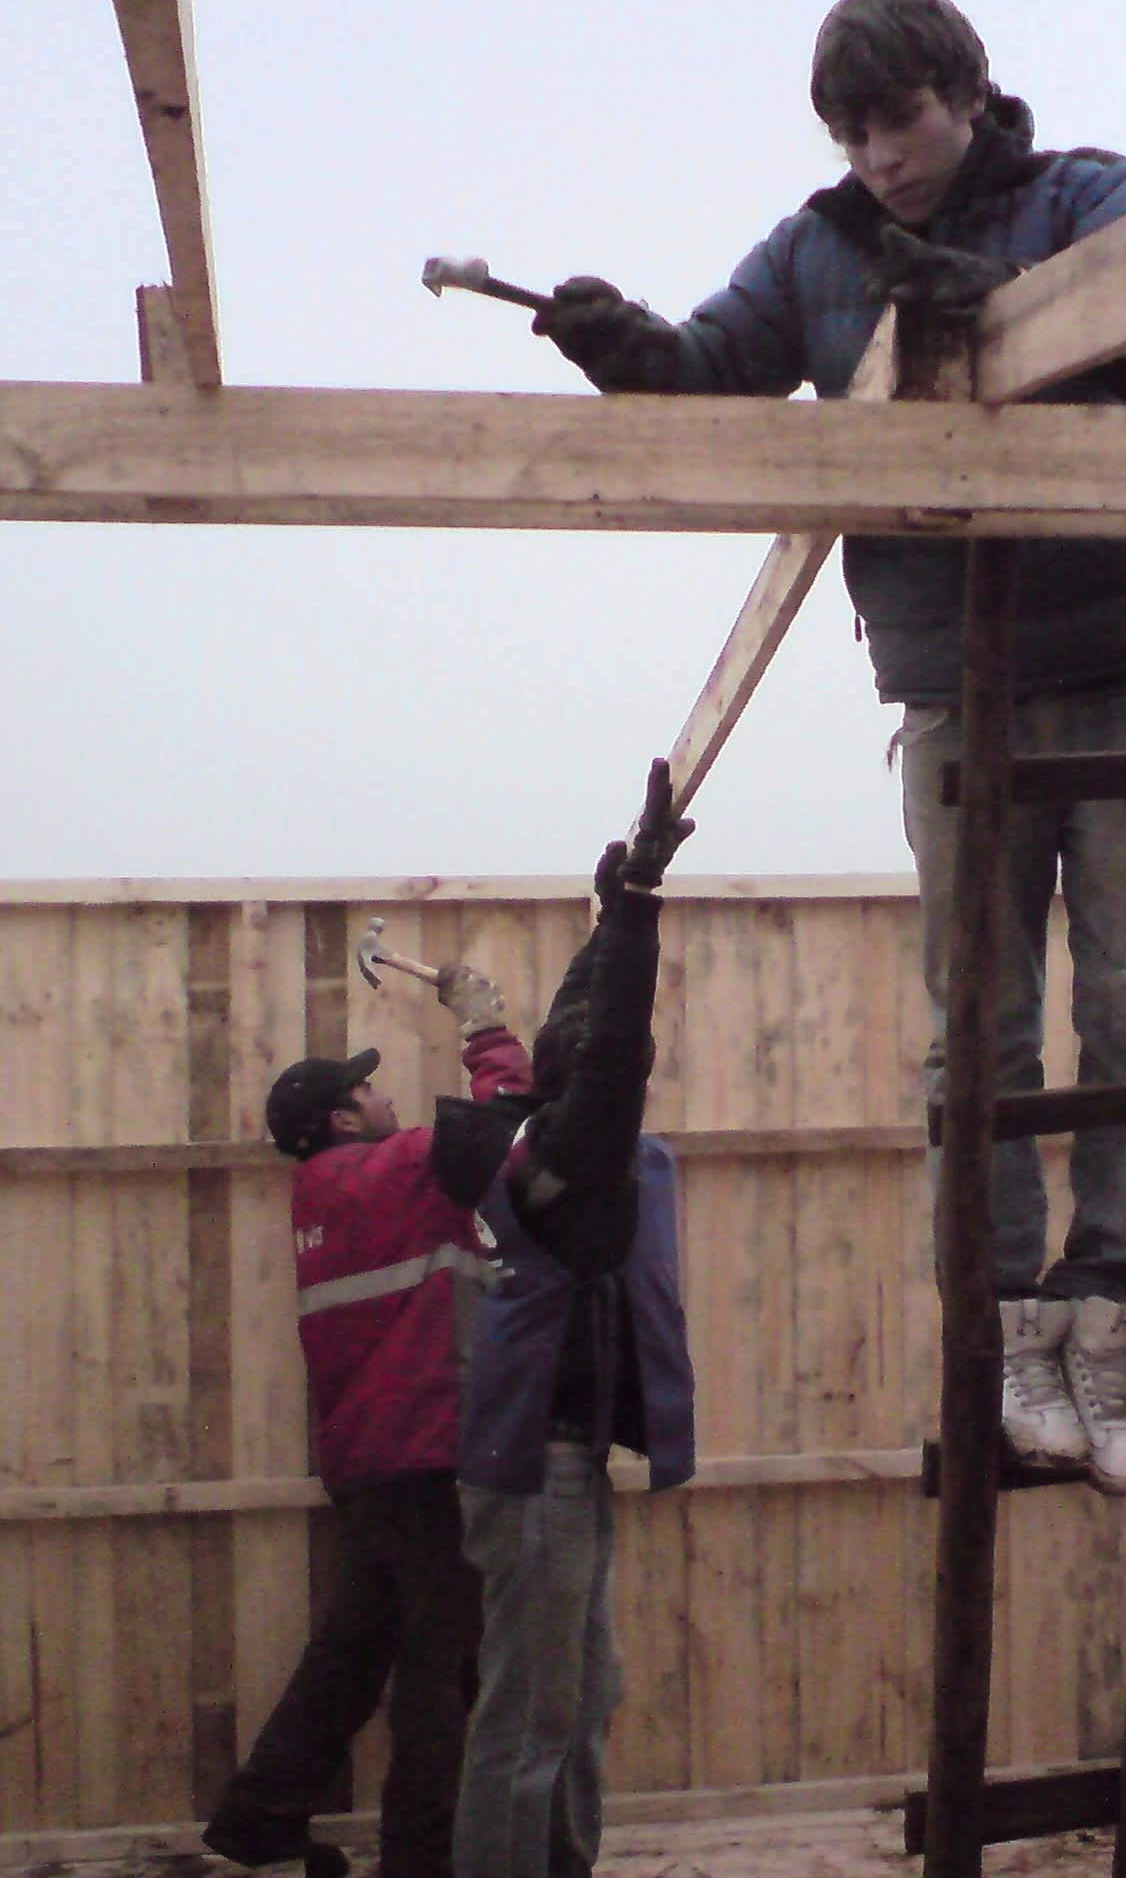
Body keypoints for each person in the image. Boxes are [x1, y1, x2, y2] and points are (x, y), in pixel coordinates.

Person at [526, 0, 1126, 1497]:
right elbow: (721, 375)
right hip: (952, 687)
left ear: (968, 91)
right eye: (852, 132)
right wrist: (625, 347)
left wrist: (1010, 303)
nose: (880, 157)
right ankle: (1004, 1328)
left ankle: (1103, 1319)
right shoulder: (821, 249)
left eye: (897, 119)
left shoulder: (1091, 195)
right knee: (973, 1028)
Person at [202, 961, 534, 1878]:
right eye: (368, 1090)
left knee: (351, 1651)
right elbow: (502, 1120)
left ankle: (261, 1816)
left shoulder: (319, 1195)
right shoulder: (389, 1171)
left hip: (365, 1464)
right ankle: (420, 1860)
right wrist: (485, 1029)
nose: (384, 1098)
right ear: (344, 1119)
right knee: (443, 1666)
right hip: (427, 1458)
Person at [448, 760, 697, 1878]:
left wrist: (608, 918)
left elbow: (585, 1029)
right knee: (534, 1720)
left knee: (585, 1695)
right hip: (536, 1474)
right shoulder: (567, 1165)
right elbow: (612, 1051)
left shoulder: (542, 1137)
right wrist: (639, 912)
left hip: (563, 1468)